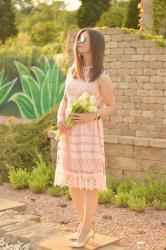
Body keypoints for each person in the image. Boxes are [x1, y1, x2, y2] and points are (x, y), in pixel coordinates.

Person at [54, 27, 116, 248]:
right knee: (73, 181)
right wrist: (60, 116)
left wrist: (93, 115)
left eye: (84, 39)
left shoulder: (102, 76)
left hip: (89, 133)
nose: (78, 41)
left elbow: (110, 106)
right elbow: (64, 100)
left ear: (95, 45)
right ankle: (85, 227)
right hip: (69, 133)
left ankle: (85, 229)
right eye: (78, 38)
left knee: (89, 183)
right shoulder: (73, 70)